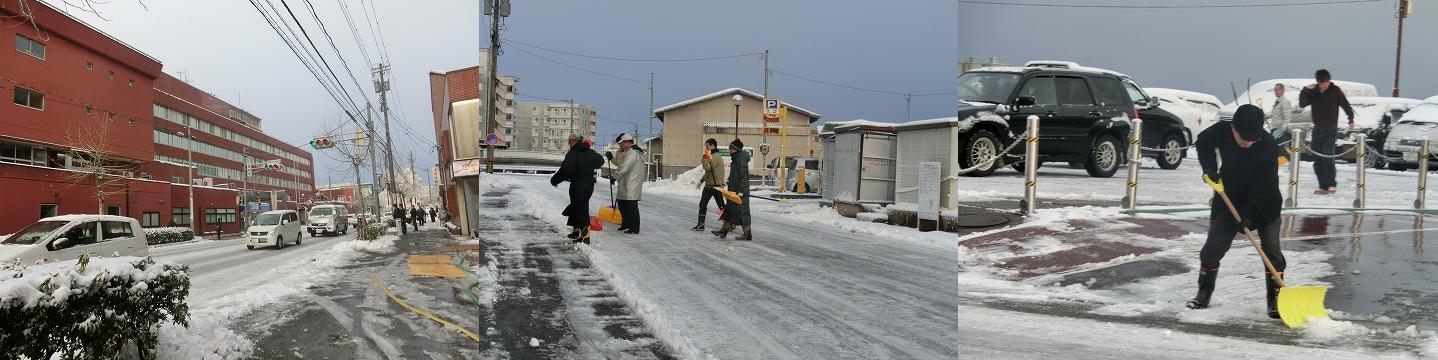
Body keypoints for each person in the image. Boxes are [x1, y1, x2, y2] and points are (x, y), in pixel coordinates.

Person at [1188, 104, 1287, 319]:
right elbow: (1203, 143)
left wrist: (1249, 216)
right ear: (1233, 129)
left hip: (1265, 205)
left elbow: (1265, 186)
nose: (1250, 143)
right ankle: (1203, 294)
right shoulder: (1221, 131)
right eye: (1245, 138)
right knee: (1212, 249)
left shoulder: (1268, 145)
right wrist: (1209, 169)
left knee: (1272, 253)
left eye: (1254, 138)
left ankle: (1276, 301)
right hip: (1228, 198)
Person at [1298, 69, 1355, 195]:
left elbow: (1345, 104)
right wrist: (1304, 90)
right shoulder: (1313, 92)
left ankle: (1331, 184)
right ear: (1318, 82)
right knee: (1317, 159)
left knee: (1326, 156)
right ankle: (1323, 186)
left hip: (1331, 130)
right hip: (1317, 130)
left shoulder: (1335, 90)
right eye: (1322, 82)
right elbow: (1302, 104)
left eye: (1327, 82)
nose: (1325, 84)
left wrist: (1350, 118)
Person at [551, 134, 605, 244]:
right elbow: (600, 161)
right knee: (576, 206)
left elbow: (566, 170)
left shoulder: (573, 153)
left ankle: (585, 237)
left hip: (578, 185)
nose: (569, 144)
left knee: (581, 209)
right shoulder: (590, 152)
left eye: (569, 141)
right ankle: (576, 232)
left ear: (574, 141)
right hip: (589, 185)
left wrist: (554, 180)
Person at [712, 139, 752, 241]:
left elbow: (743, 176)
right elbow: (735, 175)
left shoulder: (740, 160)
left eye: (730, 148)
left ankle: (747, 234)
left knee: (742, 212)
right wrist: (730, 182)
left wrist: (741, 190)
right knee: (730, 210)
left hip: (740, 192)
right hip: (734, 190)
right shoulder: (736, 158)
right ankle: (724, 230)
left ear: (735, 149)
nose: (729, 150)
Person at [607, 133, 645, 234]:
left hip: (630, 184)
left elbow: (624, 167)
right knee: (623, 205)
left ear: (627, 142)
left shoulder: (632, 153)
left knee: (631, 207)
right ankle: (626, 224)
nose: (621, 146)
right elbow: (622, 165)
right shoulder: (632, 152)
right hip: (626, 183)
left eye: (621, 144)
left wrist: (614, 176)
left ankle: (634, 229)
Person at [692, 138, 726, 231]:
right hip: (711, 184)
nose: (706, 148)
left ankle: (730, 223)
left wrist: (704, 157)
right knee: (704, 204)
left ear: (712, 145)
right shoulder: (713, 155)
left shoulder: (715, 156)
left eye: (707, 146)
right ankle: (701, 224)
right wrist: (702, 181)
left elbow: (707, 167)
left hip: (715, 185)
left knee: (720, 206)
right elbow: (709, 172)